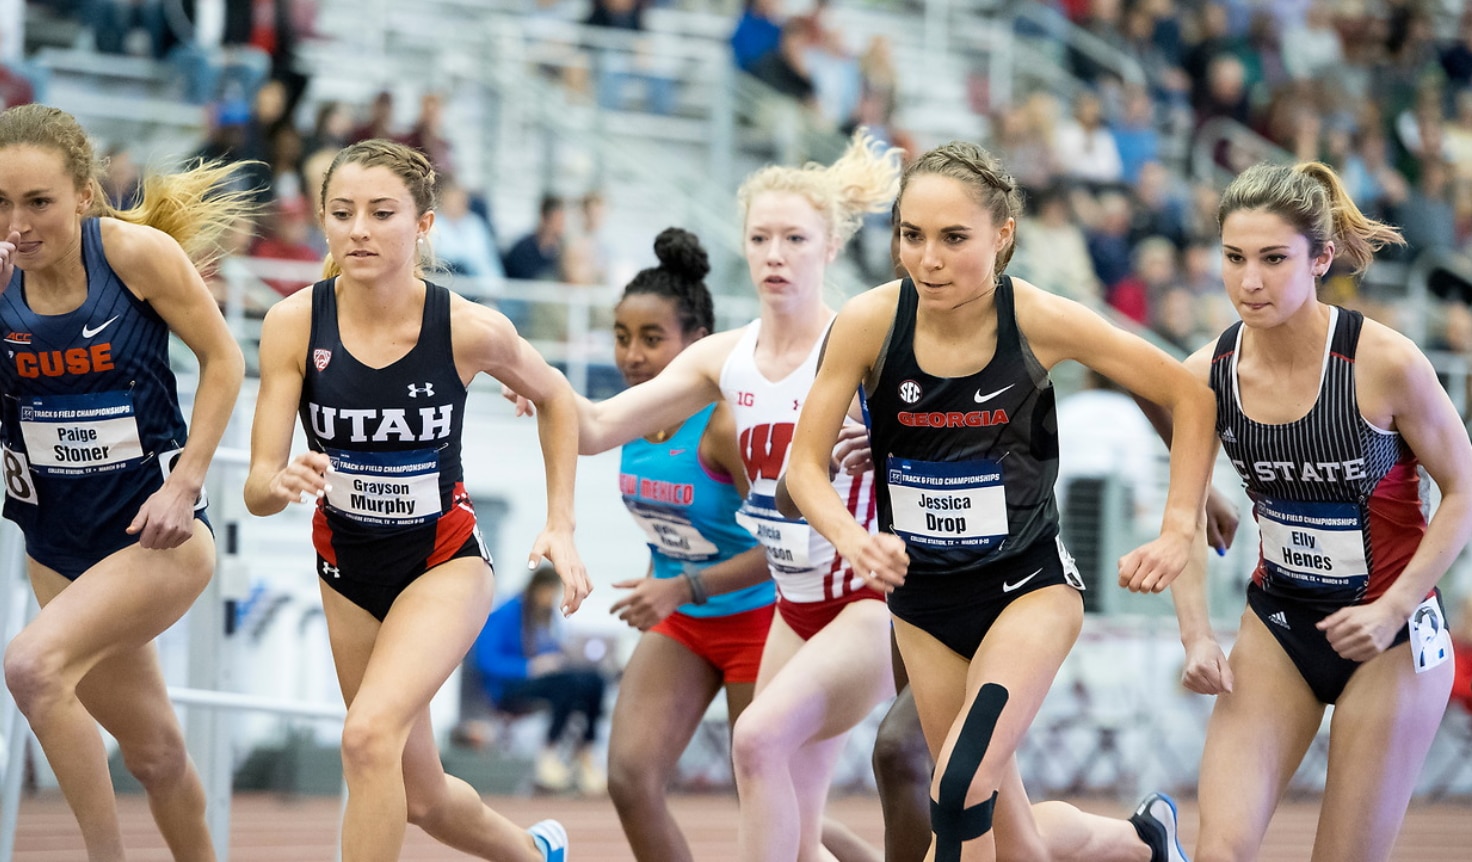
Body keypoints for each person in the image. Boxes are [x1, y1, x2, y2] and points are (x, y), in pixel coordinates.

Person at [785, 139, 1218, 862]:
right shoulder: (867, 322)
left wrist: (1180, 527)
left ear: (1003, 235)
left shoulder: (1039, 320)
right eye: (912, 236)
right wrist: (853, 539)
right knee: (1001, 820)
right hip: (923, 605)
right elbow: (803, 467)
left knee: (956, 792)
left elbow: (1188, 392)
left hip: (1027, 589)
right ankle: (1146, 847)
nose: (929, 259)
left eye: (955, 238)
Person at [517, 130, 900, 861]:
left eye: (794, 238)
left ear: (828, 249)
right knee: (797, 834)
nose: (775, 254)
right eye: (760, 238)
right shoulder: (725, 358)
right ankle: (1128, 845)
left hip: (866, 604)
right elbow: (594, 426)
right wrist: (534, 381)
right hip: (795, 606)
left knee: (755, 741)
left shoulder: (863, 345)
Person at [243, 138, 590, 862]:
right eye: (341, 213)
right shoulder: (294, 326)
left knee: (366, 737)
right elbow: (257, 488)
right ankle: (537, 855)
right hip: (345, 569)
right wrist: (276, 484)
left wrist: (560, 522)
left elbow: (556, 395)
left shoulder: (467, 327)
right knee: (421, 794)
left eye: (381, 212)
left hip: (442, 560)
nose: (358, 229)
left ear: (424, 225)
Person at [1170, 160, 1472, 862]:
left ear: (1321, 257)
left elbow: (1463, 490)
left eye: (1275, 259)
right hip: (1281, 624)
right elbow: (1179, 516)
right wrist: (1195, 637)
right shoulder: (1205, 375)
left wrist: (1393, 608)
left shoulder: (1385, 363)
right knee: (1218, 851)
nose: (1250, 281)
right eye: (1235, 258)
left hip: (1391, 638)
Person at [0, 103, 251, 861]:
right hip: (56, 547)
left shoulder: (134, 257)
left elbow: (225, 359)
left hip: (156, 539)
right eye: (1, 203)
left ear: (83, 194)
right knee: (155, 756)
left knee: (30, 668)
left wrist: (187, 482)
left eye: (38, 202)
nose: (19, 223)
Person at [597, 227, 776, 859]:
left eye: (652, 338)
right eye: (622, 337)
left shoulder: (726, 424)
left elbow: (786, 547)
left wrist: (683, 584)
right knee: (630, 777)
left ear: (697, 343)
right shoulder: (631, 414)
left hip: (761, 620)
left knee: (768, 804)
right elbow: (568, 413)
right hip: (684, 622)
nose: (633, 355)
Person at [473, 564, 610, 794]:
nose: (551, 600)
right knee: (567, 684)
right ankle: (550, 753)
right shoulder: (506, 613)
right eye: (549, 593)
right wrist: (530, 667)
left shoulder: (547, 619)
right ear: (537, 589)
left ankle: (587, 751)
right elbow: (486, 660)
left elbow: (552, 653)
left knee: (594, 680)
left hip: (543, 682)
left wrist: (559, 658)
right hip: (509, 688)